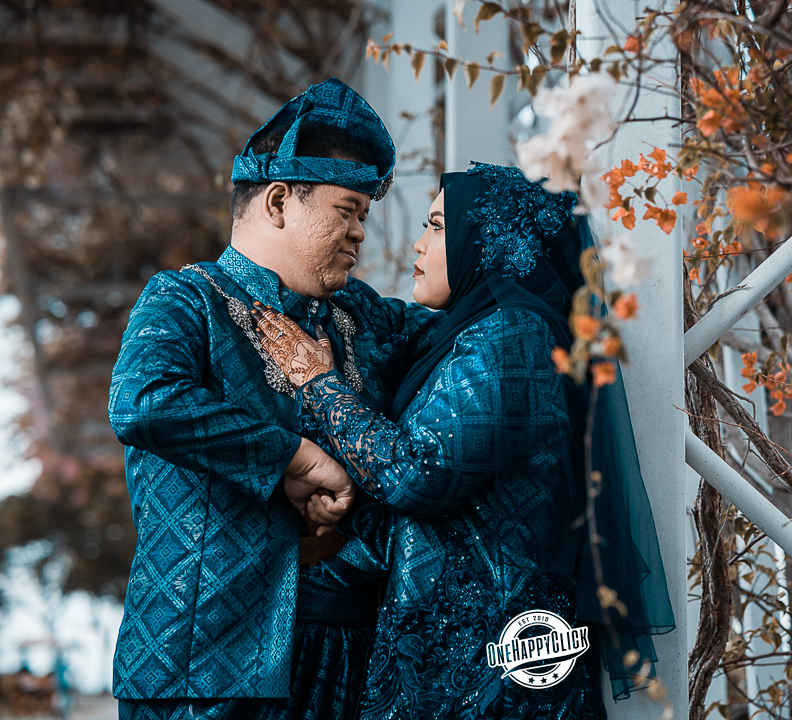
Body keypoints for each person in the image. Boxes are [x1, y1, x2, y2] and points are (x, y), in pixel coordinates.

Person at [254, 162, 675, 718]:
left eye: (436, 226)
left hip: (494, 654)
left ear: (488, 242)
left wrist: (318, 384)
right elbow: (382, 325)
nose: (419, 243)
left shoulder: (514, 335)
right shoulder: (473, 332)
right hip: (459, 641)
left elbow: (416, 475)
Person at [108, 78, 441, 720]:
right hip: (202, 663)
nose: (360, 235)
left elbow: (471, 338)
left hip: (347, 659)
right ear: (281, 201)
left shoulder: (362, 316)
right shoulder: (185, 299)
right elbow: (144, 402)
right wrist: (295, 458)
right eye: (348, 211)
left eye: (364, 217)